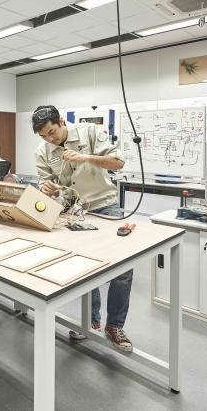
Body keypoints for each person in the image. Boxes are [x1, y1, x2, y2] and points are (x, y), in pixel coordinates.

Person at [31, 105, 133, 352]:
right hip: (73, 210)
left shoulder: (90, 132)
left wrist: (85, 157)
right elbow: (46, 182)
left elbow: (118, 162)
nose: (50, 139)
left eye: (52, 133)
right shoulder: (43, 151)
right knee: (84, 266)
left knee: (123, 268)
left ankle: (114, 326)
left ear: (62, 121)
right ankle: (90, 322)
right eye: (44, 136)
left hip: (105, 206)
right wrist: (48, 188)